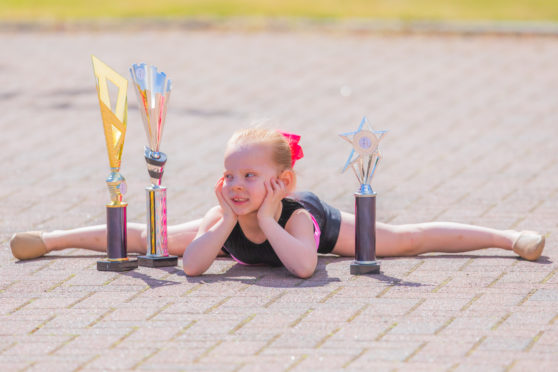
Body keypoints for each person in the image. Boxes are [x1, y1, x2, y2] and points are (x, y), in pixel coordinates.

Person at [10, 128, 545, 279]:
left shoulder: (300, 214)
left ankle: (504, 238)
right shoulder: (226, 208)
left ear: (280, 181)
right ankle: (53, 240)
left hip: (300, 229)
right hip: (241, 230)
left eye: (250, 175)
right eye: (230, 174)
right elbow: (192, 269)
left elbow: (306, 267)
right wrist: (223, 224)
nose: (237, 183)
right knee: (148, 241)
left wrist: (267, 216)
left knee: (407, 240)